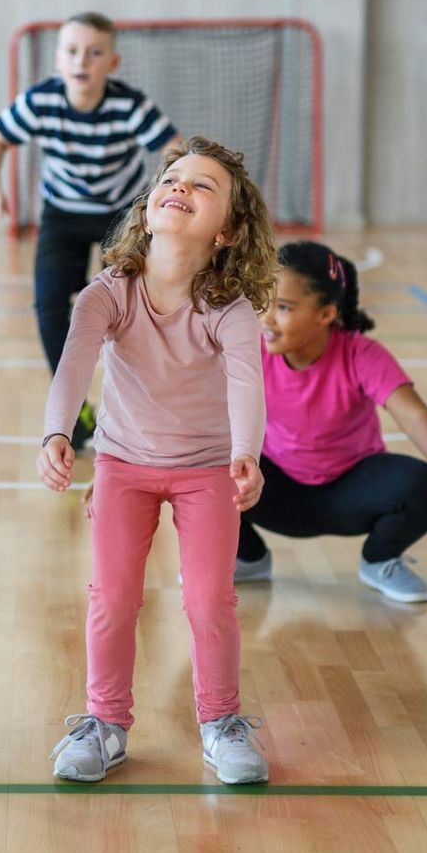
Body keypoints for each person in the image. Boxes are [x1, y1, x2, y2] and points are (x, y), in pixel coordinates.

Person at [40, 138, 275, 786]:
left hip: (207, 472)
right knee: (112, 597)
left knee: (207, 601)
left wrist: (244, 455)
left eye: (203, 186)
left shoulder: (230, 311)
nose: (180, 188)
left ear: (227, 231)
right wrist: (56, 433)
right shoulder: (107, 294)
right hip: (122, 467)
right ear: (147, 209)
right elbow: (74, 367)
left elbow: (246, 386)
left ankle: (221, 723)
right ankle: (105, 724)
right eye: (171, 178)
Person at [237, 242, 427, 604]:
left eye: (283, 308)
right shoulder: (250, 350)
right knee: (201, 461)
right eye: (264, 303)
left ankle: (379, 560)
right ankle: (246, 557)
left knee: (423, 485)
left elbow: (415, 415)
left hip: (350, 496)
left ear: (326, 314)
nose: (266, 318)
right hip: (274, 492)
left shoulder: (361, 354)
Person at [0, 13, 177, 451]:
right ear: (58, 61)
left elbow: (174, 149)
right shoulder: (42, 101)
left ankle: (140, 408)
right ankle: (75, 407)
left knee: (134, 307)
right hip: (63, 215)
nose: (81, 60)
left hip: (119, 215)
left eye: (94, 52)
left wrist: (170, 193)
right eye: (71, 51)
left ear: (113, 62)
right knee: (49, 304)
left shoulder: (128, 105)